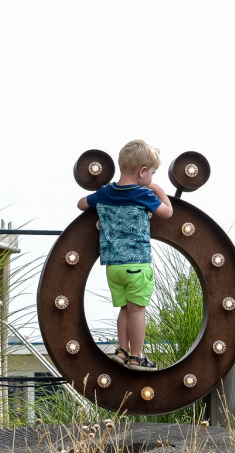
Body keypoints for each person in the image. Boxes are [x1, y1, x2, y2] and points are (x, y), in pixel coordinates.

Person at [77, 140, 173, 371]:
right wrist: (158, 190)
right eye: (152, 173)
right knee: (138, 310)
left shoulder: (106, 193)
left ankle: (122, 350)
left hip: (113, 266)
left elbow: (81, 204)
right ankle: (137, 356)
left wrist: (98, 200)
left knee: (124, 310)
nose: (151, 177)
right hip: (137, 264)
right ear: (142, 171)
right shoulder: (142, 194)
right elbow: (168, 212)